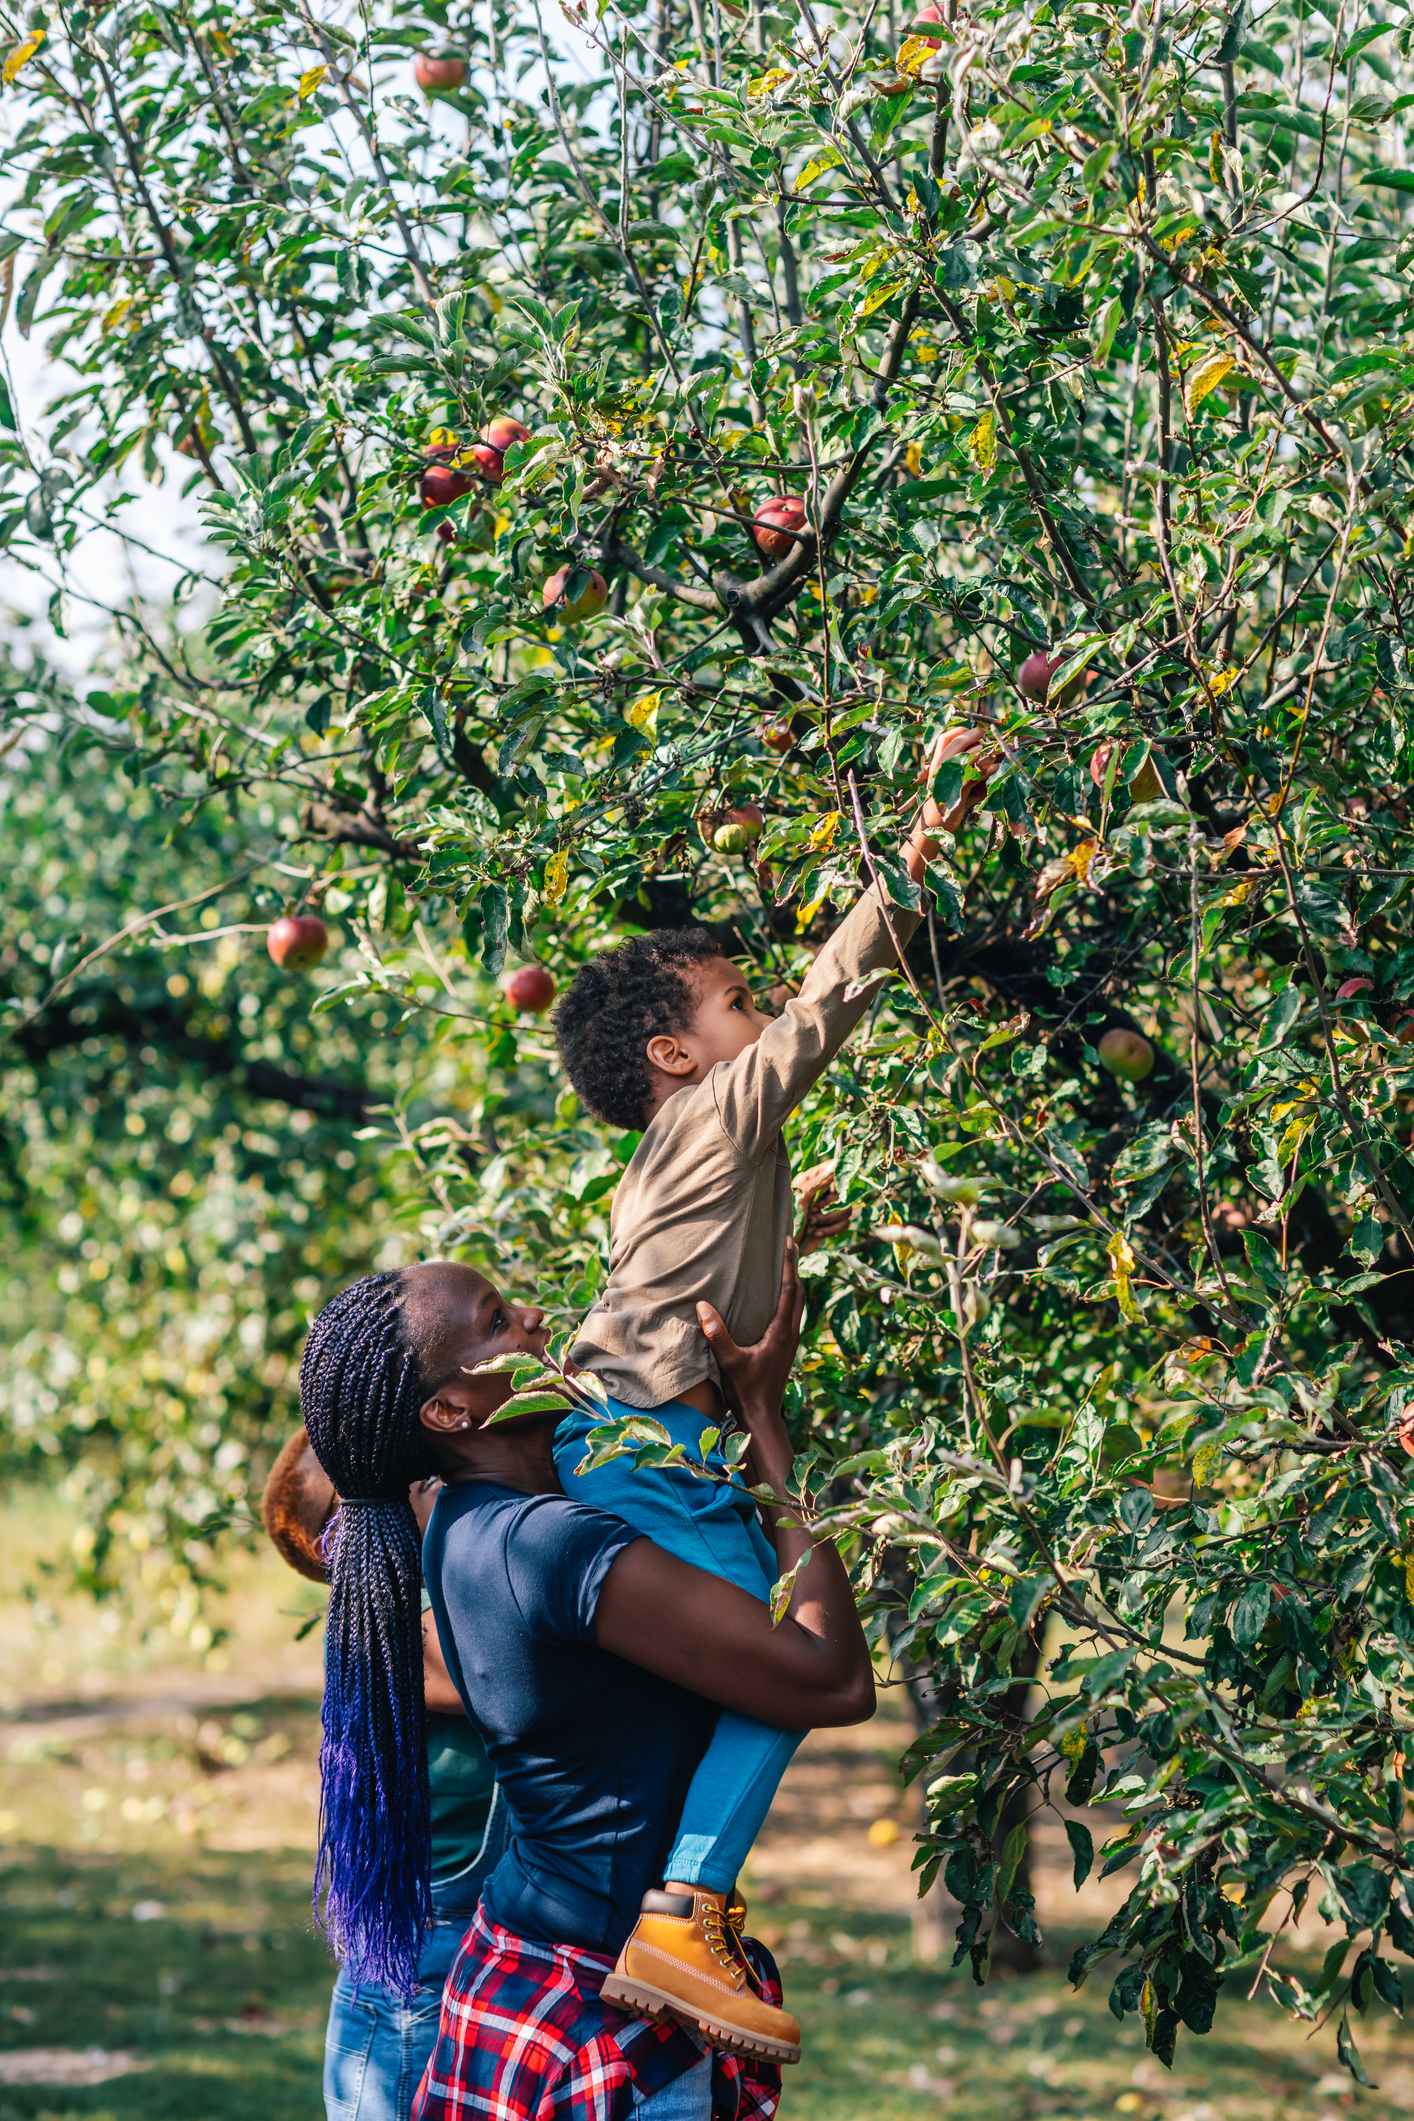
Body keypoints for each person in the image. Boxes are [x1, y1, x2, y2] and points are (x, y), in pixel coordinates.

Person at [547, 732, 973, 2035]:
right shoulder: (720, 1107)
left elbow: (704, 1262)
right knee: (789, 1658)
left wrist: (797, 1233)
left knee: (751, 1658)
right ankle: (682, 1907)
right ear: (678, 1054)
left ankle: (668, 1900)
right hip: (659, 1432)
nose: (760, 1008)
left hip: (632, 1430)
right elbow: (825, 1010)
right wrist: (914, 853)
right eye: (736, 999)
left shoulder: (679, 1152)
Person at [296, 1245, 873, 2117]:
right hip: (592, 2009)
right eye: (496, 1321)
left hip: (530, 1968)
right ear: (451, 1408)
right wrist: (764, 1417)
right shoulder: (550, 1546)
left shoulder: (463, 1520)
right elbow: (831, 1678)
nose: (533, 1318)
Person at [260, 1430, 506, 2121]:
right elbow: (515, 1672)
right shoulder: (393, 1622)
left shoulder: (448, 1567)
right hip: (416, 1972)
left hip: (476, 1938)